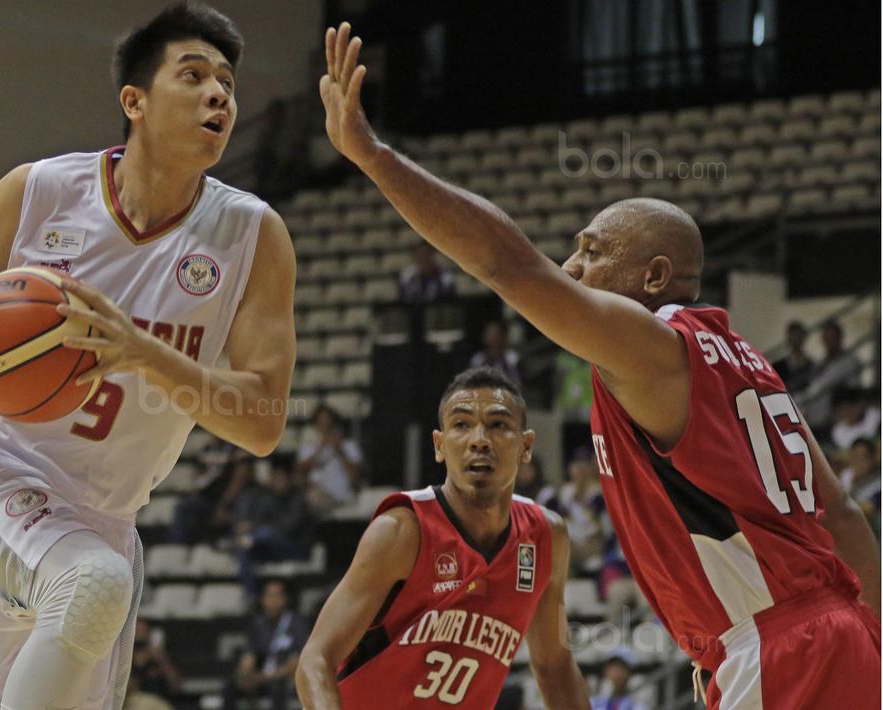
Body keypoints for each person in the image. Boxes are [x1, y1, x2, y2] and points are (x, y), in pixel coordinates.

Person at [318, 22, 880, 707]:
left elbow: (506, 264)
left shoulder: (652, 345)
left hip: (775, 643)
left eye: (590, 251)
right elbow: (844, 517)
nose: (571, 266)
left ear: (653, 276)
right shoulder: (749, 364)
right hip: (841, 633)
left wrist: (374, 156)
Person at [0, 5, 297, 708]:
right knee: (89, 586)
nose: (219, 96)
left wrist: (140, 352)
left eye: (228, 85)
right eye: (195, 76)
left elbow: (262, 423)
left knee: (76, 608)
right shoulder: (39, 191)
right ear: (134, 102)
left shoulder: (251, 235)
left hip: (103, 521)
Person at [296, 367, 589, 709]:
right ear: (439, 445)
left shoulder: (546, 538)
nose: (480, 439)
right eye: (462, 424)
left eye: (498, 425)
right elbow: (315, 660)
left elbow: (555, 668)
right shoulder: (402, 531)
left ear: (526, 446)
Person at [231, 456, 315, 599]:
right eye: (274, 477)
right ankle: (251, 597)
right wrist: (250, 527)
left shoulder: (298, 498)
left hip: (294, 547)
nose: (276, 481)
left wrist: (257, 529)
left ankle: (249, 540)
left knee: (265, 533)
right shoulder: (267, 497)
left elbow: (290, 526)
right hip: (270, 546)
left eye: (280, 477)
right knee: (244, 550)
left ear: (289, 478)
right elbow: (258, 520)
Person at [226, 579, 309, 710]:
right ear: (262, 599)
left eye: (277, 596)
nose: (272, 600)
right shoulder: (258, 624)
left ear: (285, 599)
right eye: (268, 596)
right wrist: (245, 673)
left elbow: (297, 662)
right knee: (231, 685)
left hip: (283, 676)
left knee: (279, 686)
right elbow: (249, 656)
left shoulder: (296, 624)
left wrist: (266, 676)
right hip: (261, 676)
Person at [798, 319, 863, 431]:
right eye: (826, 339)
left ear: (840, 338)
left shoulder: (850, 361)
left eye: (833, 338)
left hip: (836, 420)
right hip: (814, 419)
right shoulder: (818, 364)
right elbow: (811, 391)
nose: (830, 342)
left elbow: (853, 392)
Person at [296, 405, 364, 511]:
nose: (325, 425)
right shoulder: (308, 447)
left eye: (328, 421)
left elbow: (356, 475)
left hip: (344, 495)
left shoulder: (349, 446)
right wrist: (321, 448)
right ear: (316, 424)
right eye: (321, 422)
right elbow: (301, 471)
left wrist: (339, 450)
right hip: (319, 496)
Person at [829, 387, 880, 452]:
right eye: (845, 409)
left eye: (851, 407)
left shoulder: (875, 417)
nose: (850, 412)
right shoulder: (838, 432)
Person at [470, 321, 521, 385]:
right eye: (489, 334)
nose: (493, 337)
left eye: (496, 333)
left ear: (504, 336)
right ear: (484, 338)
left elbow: (518, 382)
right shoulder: (478, 359)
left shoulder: (512, 357)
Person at [772, 321, 815, 393]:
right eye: (793, 336)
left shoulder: (811, 365)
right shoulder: (778, 367)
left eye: (798, 336)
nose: (796, 340)